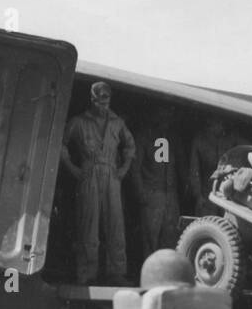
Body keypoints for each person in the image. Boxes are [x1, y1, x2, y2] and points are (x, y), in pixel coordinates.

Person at [61, 81, 136, 284]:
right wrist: (73, 169)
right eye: (99, 99)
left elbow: (130, 146)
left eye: (106, 99)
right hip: (89, 172)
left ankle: (116, 272)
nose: (103, 104)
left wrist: (123, 169)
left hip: (111, 174)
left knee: (116, 225)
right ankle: (87, 274)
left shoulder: (117, 122)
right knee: (89, 225)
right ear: (92, 99)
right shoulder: (79, 122)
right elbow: (62, 144)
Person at [132, 105, 182, 255]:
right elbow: (135, 168)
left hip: (171, 195)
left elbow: (181, 165)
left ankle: (167, 273)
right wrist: (141, 192)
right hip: (152, 193)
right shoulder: (144, 136)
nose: (165, 117)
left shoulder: (173, 138)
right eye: (162, 113)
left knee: (171, 236)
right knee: (150, 237)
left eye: (169, 114)